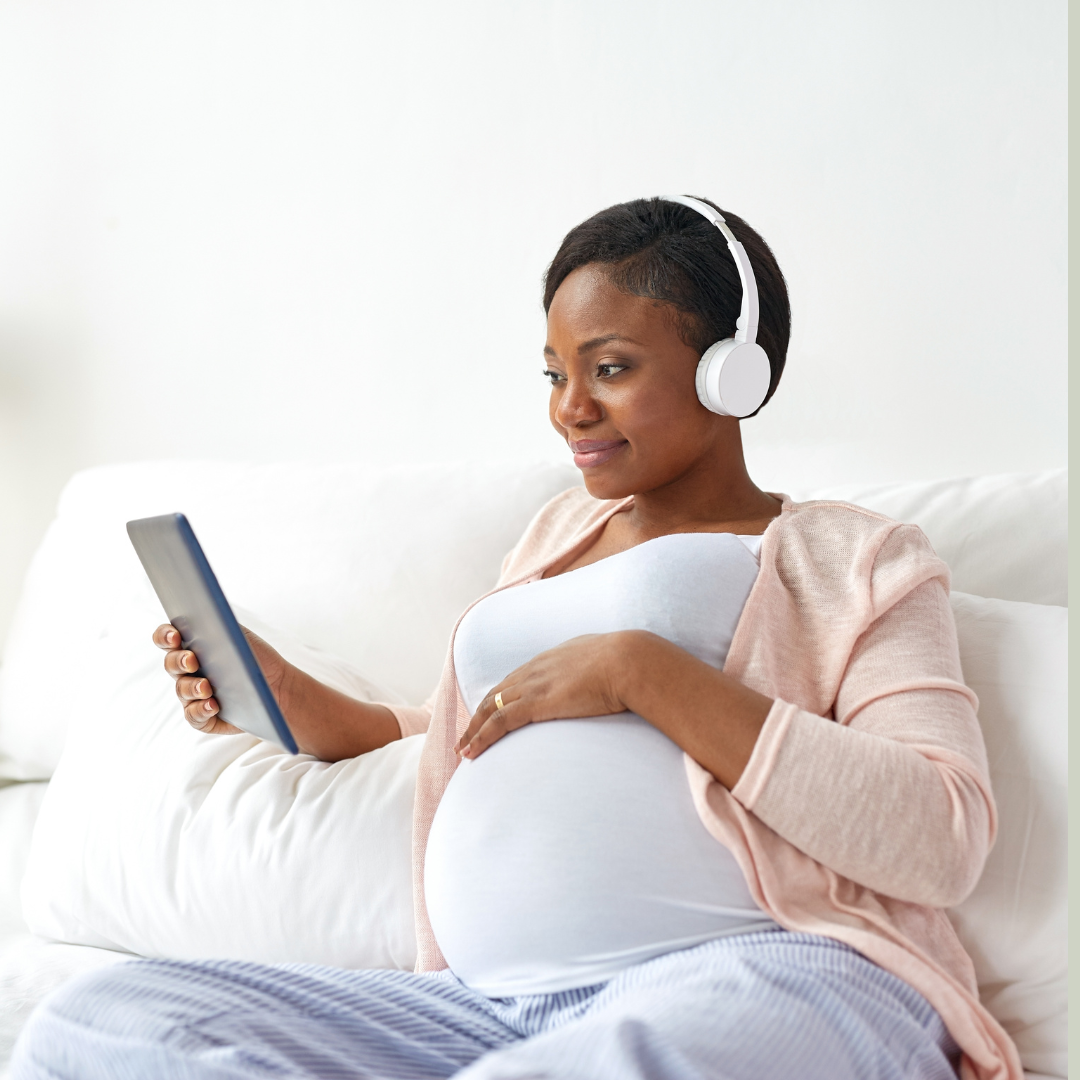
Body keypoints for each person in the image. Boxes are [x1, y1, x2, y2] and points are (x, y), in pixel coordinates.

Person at [11, 197, 1021, 1080]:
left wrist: (643, 671)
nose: (569, 410)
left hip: (764, 973)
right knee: (98, 1025)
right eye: (553, 373)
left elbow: (940, 835)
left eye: (610, 368)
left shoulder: (858, 558)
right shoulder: (549, 542)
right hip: (482, 1012)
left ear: (732, 375)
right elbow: (465, 729)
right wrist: (287, 695)